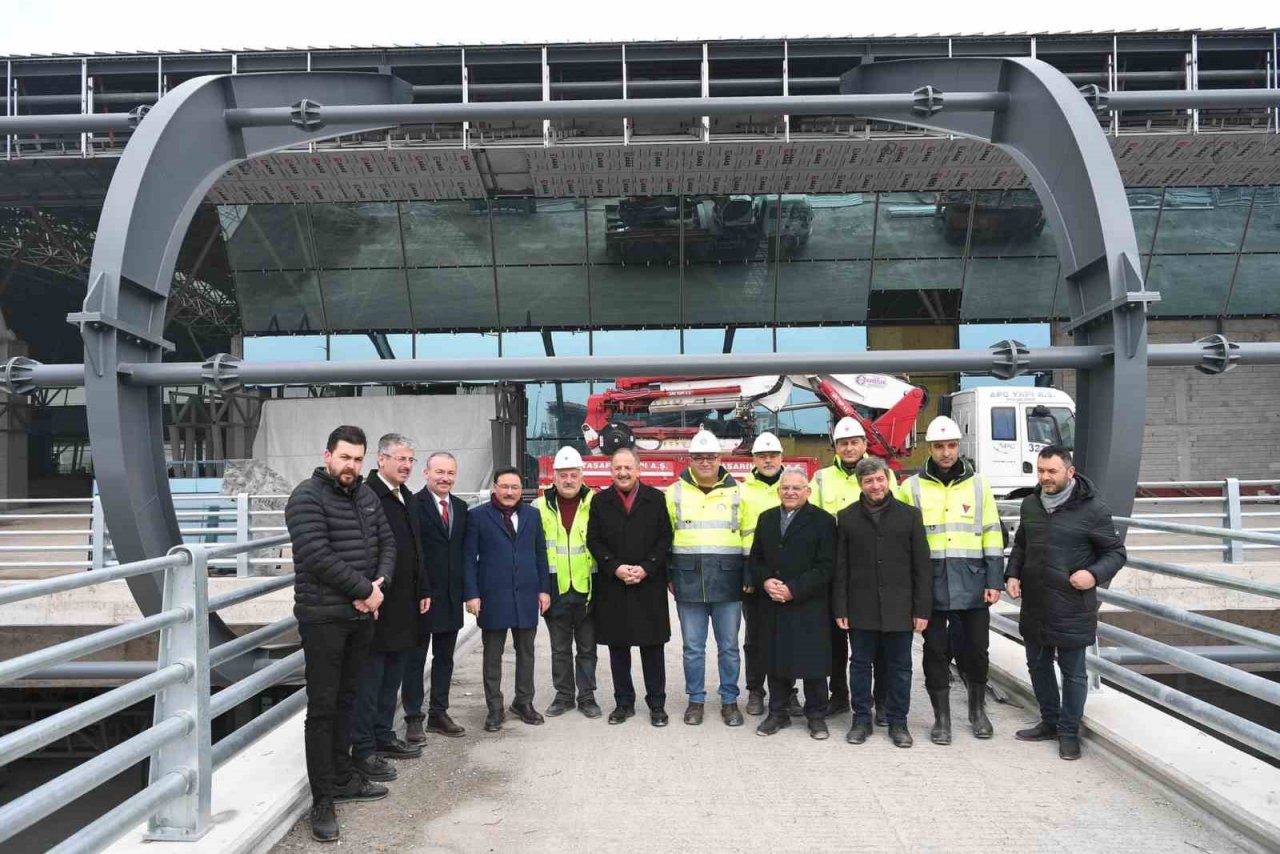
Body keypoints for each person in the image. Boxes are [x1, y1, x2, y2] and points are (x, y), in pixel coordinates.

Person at [286, 425, 396, 843]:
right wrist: (364, 590)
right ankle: (323, 799)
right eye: (345, 457)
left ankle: (345, 775)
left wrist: (378, 587)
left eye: (357, 458)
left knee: (349, 699)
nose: (351, 466)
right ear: (327, 455)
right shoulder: (306, 497)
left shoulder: (366, 495)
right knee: (324, 707)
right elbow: (316, 555)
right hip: (323, 620)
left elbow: (387, 544)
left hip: (361, 616)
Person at [1006, 445, 1126, 760]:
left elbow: (1116, 553)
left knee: (1073, 672)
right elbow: (1021, 545)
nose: (1045, 477)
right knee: (1037, 664)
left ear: (1069, 472)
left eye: (1052, 471)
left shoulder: (1093, 509)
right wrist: (1012, 574)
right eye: (1040, 471)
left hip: (1072, 604)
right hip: (1035, 602)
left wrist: (1093, 574)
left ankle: (1068, 733)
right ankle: (1049, 721)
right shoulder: (1031, 505)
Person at [899, 416, 1005, 745]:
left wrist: (994, 579)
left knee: (976, 649)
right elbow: (903, 542)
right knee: (934, 651)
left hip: (972, 581)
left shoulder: (978, 485)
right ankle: (941, 719)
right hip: (930, 583)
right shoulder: (911, 487)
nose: (946, 452)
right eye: (939, 446)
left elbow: (992, 531)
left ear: (959, 446)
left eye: (951, 445)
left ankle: (977, 711)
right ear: (929, 448)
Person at [833, 456, 931, 749]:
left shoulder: (910, 516)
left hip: (900, 607)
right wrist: (841, 607)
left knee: (901, 667)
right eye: (868, 481)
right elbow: (841, 567)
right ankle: (861, 719)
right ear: (860, 484)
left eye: (879, 479)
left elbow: (921, 567)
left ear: (888, 479)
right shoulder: (847, 517)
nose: (875, 486)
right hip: (860, 607)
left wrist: (922, 609)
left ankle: (898, 722)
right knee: (860, 665)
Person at [350, 434, 431, 782]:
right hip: (378, 604)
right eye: (400, 458)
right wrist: (369, 592)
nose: (406, 465)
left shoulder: (405, 496)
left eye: (411, 460)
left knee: (392, 677)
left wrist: (423, 586)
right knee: (370, 679)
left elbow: (415, 548)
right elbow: (364, 549)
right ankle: (364, 749)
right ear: (380, 460)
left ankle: (384, 736)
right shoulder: (368, 496)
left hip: (405, 605)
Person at [810, 416, 898, 721]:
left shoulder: (881, 474)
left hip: (874, 570)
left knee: (880, 642)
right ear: (835, 447)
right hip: (835, 568)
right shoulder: (821, 478)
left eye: (854, 442)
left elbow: (893, 518)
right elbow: (815, 523)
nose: (849, 448)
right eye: (843, 443)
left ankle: (882, 700)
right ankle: (840, 696)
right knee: (835, 640)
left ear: (864, 444)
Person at [587, 447, 674, 726]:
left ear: (638, 469)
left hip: (648, 583)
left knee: (652, 647)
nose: (622, 473)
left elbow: (665, 538)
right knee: (618, 647)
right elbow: (594, 540)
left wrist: (647, 567)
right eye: (617, 468)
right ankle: (623, 703)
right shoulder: (600, 502)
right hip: (614, 584)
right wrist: (615, 567)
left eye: (628, 468)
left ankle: (657, 704)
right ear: (610, 471)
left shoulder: (656, 499)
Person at [666, 430, 748, 727]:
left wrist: (748, 575)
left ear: (720, 458)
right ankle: (696, 700)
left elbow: (748, 537)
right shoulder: (673, 492)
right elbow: (664, 538)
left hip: (728, 579)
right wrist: (668, 574)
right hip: (688, 580)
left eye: (710, 457)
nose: (704, 462)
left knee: (729, 646)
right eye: (699, 457)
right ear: (691, 459)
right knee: (693, 647)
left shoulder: (739, 491)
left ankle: (729, 701)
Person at [748, 470, 836, 740]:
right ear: (778, 491)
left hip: (809, 603)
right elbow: (756, 558)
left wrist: (793, 589)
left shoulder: (822, 521)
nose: (790, 492)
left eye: (797, 488)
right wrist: (765, 582)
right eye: (785, 488)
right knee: (776, 660)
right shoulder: (767, 519)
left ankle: (816, 716)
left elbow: (827, 566)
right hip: (773, 602)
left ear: (807, 491)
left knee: (813, 663)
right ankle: (777, 713)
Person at [464, 466, 552, 732]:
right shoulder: (477, 517)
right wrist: (471, 594)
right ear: (495, 487)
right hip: (492, 596)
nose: (510, 492)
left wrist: (544, 590)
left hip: (526, 594)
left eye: (515, 487)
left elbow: (540, 555)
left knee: (526, 652)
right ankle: (494, 708)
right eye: (505, 486)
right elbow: (468, 558)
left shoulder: (533, 516)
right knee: (493, 655)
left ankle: (523, 702)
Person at [533, 446, 601, 719]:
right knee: (559, 648)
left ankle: (586, 697)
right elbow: (534, 550)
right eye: (564, 475)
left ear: (582, 475)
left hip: (587, 588)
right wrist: (540, 589)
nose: (569, 480)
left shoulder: (596, 503)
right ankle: (564, 696)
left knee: (587, 648)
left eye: (574, 474)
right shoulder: (539, 507)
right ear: (555, 476)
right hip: (555, 588)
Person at [405, 451, 468, 740]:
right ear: (426, 474)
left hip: (451, 597)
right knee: (415, 660)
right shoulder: (412, 506)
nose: (445, 478)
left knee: (445, 658)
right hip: (421, 597)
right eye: (439, 472)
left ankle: (438, 713)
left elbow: (464, 554)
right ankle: (414, 717)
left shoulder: (461, 507)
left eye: (450, 473)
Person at [739, 432, 802, 719]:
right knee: (754, 637)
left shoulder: (793, 487)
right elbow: (737, 536)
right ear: (753, 459)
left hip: (789, 579)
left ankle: (789, 693)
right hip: (755, 576)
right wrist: (748, 575)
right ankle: (755, 690)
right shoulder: (741, 491)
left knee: (788, 638)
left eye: (773, 455)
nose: (768, 460)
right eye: (762, 455)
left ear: (781, 458)